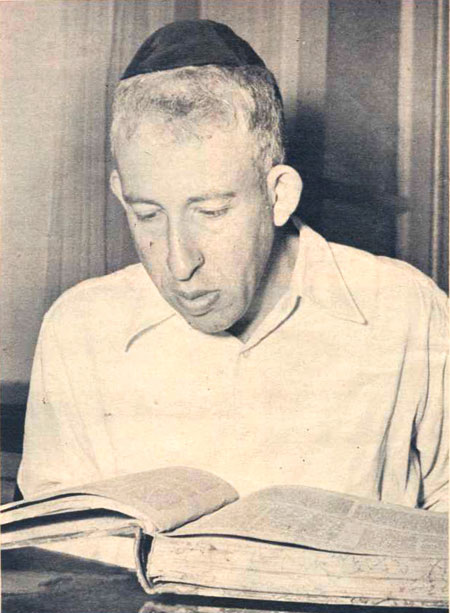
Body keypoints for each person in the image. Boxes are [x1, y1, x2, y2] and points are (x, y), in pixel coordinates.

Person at [18, 20, 448, 511]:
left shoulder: (405, 310)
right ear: (121, 194)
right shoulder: (79, 329)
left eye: (211, 212)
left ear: (279, 194)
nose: (179, 263)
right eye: (147, 214)